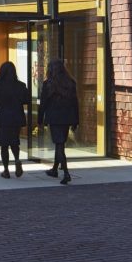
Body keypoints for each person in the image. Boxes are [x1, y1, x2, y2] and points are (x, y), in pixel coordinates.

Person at [39, 57, 80, 185]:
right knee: (59, 143)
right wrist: (76, 121)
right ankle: (55, 169)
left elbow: (43, 104)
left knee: (59, 144)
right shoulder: (71, 83)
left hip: (54, 118)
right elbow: (75, 103)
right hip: (67, 118)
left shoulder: (48, 84)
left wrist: (40, 119)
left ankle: (66, 172)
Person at [0, 60, 31, 179]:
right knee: (14, 141)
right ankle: (17, 160)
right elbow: (26, 100)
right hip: (17, 116)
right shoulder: (21, 85)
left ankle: (6, 170)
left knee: (4, 145)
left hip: (3, 117)